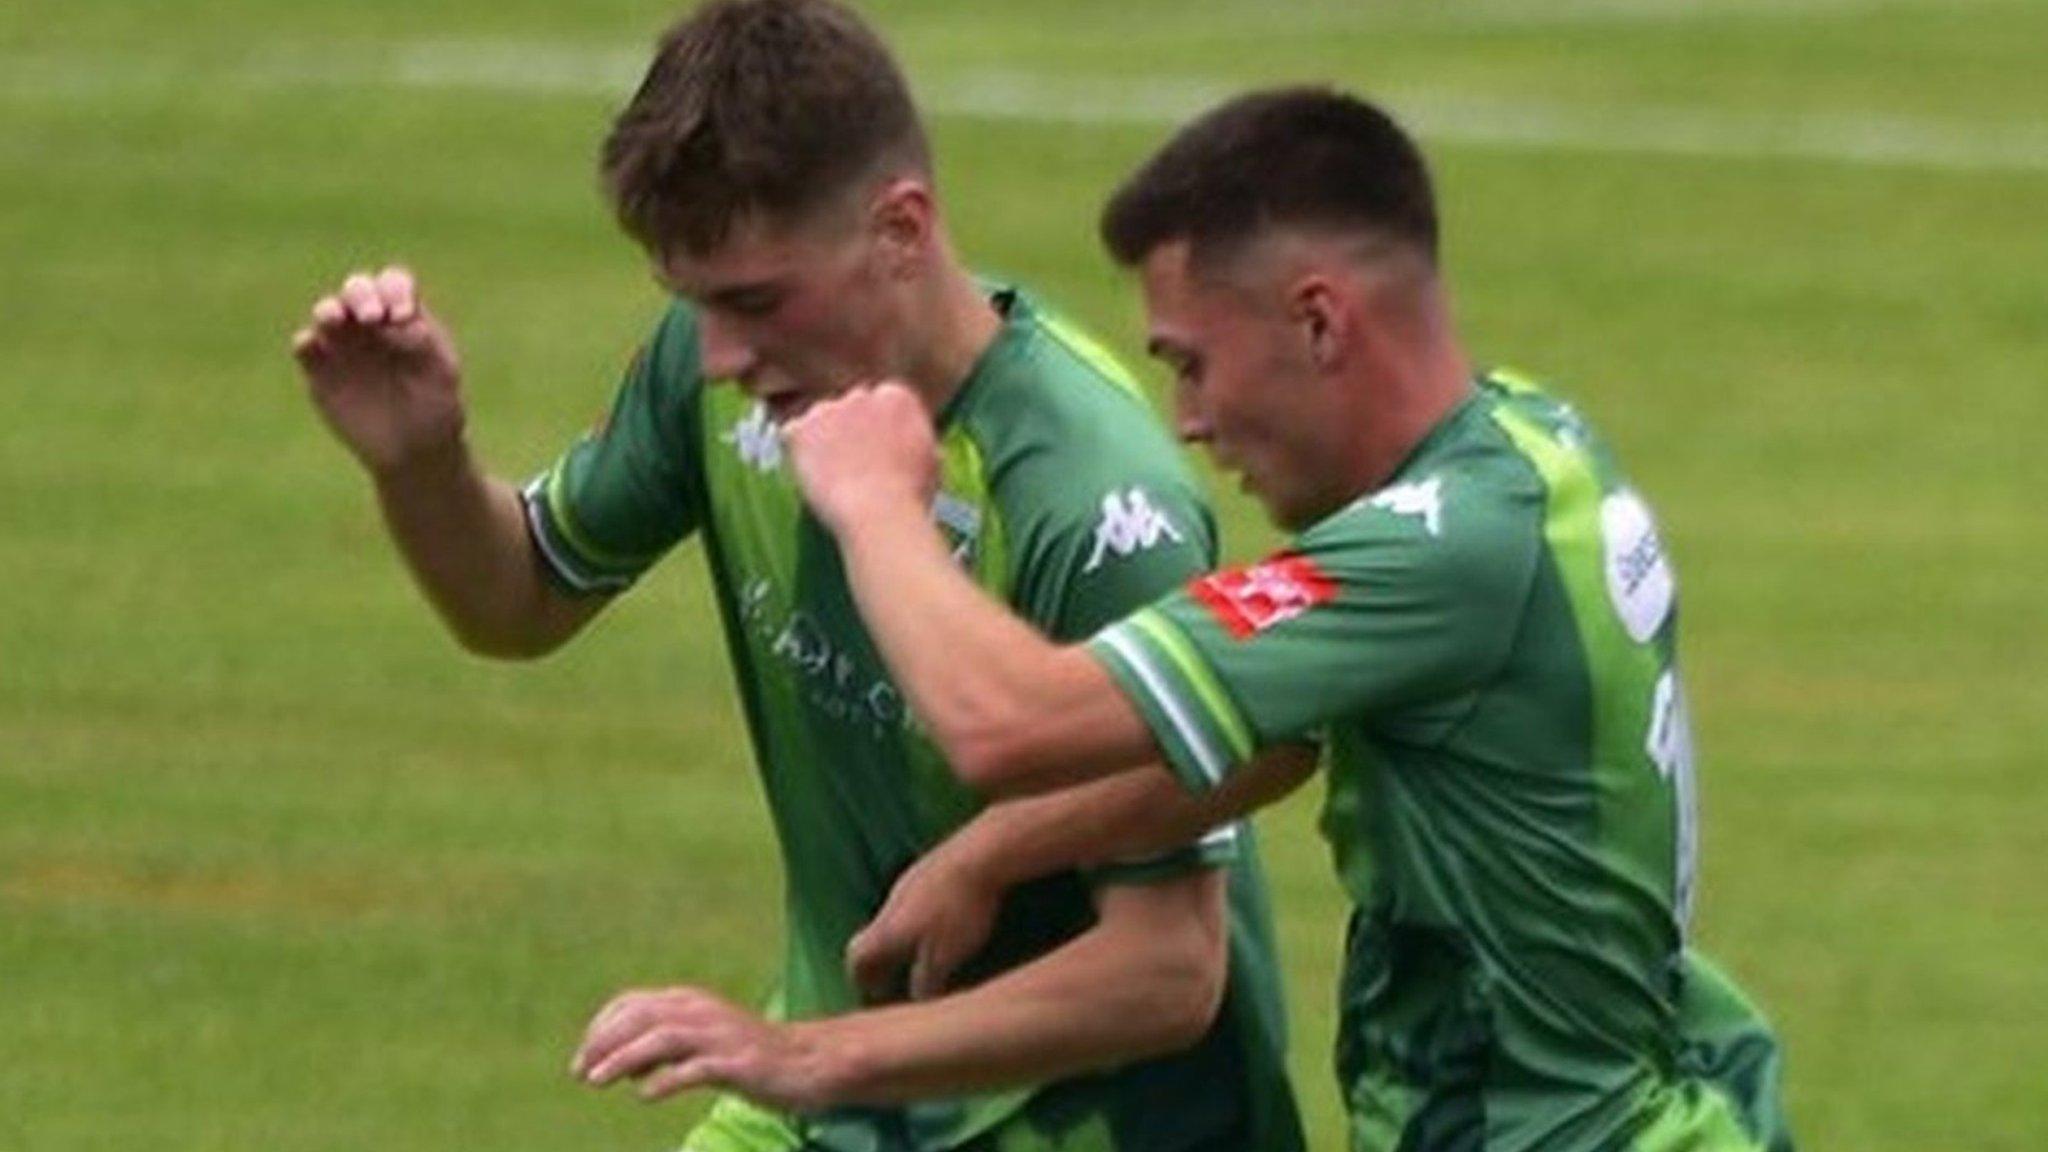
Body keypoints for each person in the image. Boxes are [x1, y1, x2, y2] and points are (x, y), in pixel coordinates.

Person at [287, 3, 1305, 1151]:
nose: (722, 355)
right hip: (846, 1086)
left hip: (1089, 1122)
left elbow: (1165, 969)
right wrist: (422, 463)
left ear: (901, 230)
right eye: (695, 302)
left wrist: (802, 1059)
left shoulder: (1087, 496)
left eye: (757, 301)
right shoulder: (719, 379)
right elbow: (518, 601)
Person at [779, 87, 1796, 1151]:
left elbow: (1004, 722)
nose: (1186, 422)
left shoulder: (1442, 552)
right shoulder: (1527, 444)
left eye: (1190, 363)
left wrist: (873, 503)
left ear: (1317, 321)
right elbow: (1273, 738)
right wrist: (995, 854)